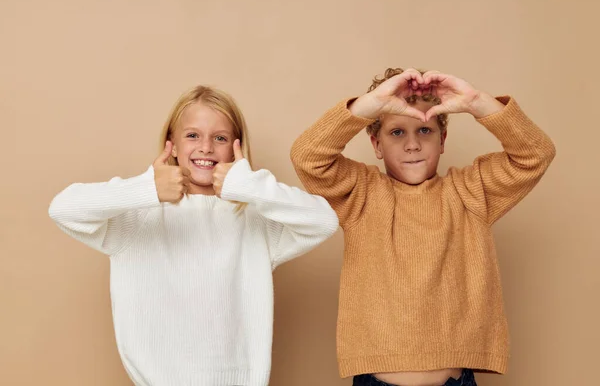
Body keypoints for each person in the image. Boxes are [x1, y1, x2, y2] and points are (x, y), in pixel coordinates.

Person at [48, 85, 339, 386]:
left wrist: (249, 185)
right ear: (171, 144)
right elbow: (63, 209)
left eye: (220, 138)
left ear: (235, 147)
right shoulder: (138, 217)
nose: (206, 147)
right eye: (192, 135)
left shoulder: (255, 220)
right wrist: (147, 188)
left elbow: (323, 221)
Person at [290, 68, 556, 386]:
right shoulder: (360, 192)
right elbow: (307, 157)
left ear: (443, 140)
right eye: (397, 132)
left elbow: (536, 153)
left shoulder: (471, 190)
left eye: (425, 131)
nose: (413, 145)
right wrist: (370, 104)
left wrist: (476, 102)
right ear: (376, 144)